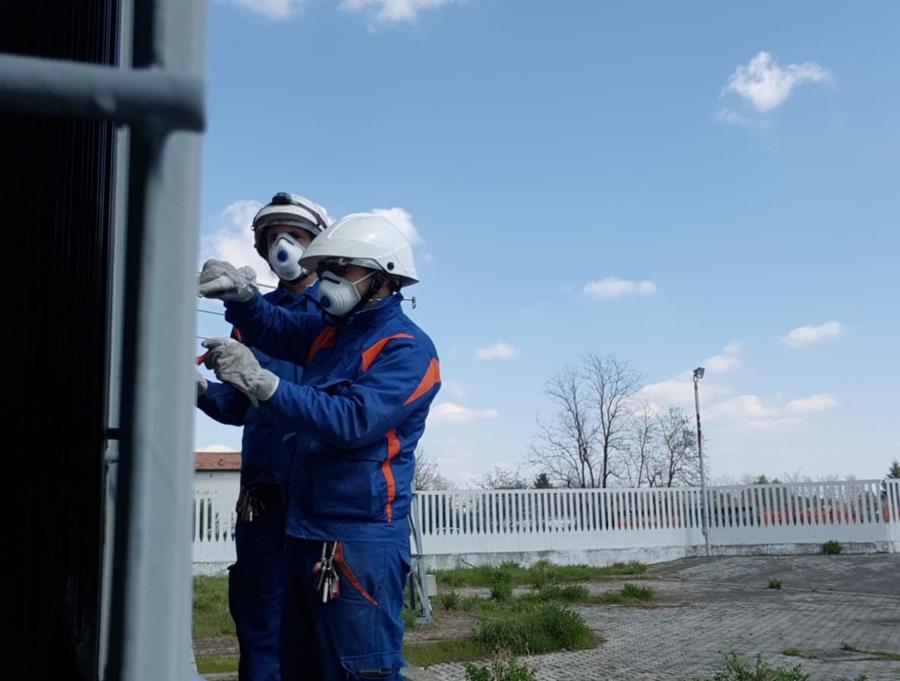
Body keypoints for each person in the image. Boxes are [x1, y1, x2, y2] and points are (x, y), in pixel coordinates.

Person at [198, 213, 440, 681]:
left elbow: (352, 421)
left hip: (358, 541)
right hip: (303, 531)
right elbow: (277, 328)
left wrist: (263, 383)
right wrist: (244, 299)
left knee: (358, 671)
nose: (327, 280)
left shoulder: (408, 349)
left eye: (341, 268)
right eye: (325, 268)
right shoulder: (333, 333)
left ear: (381, 276)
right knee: (299, 666)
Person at [196, 192, 330, 681]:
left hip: (322, 499)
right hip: (265, 499)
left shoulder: (340, 317)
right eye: (273, 236)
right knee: (261, 630)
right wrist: (201, 389)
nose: (283, 244)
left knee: (327, 631)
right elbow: (236, 407)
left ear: (319, 245)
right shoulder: (250, 316)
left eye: (294, 235)